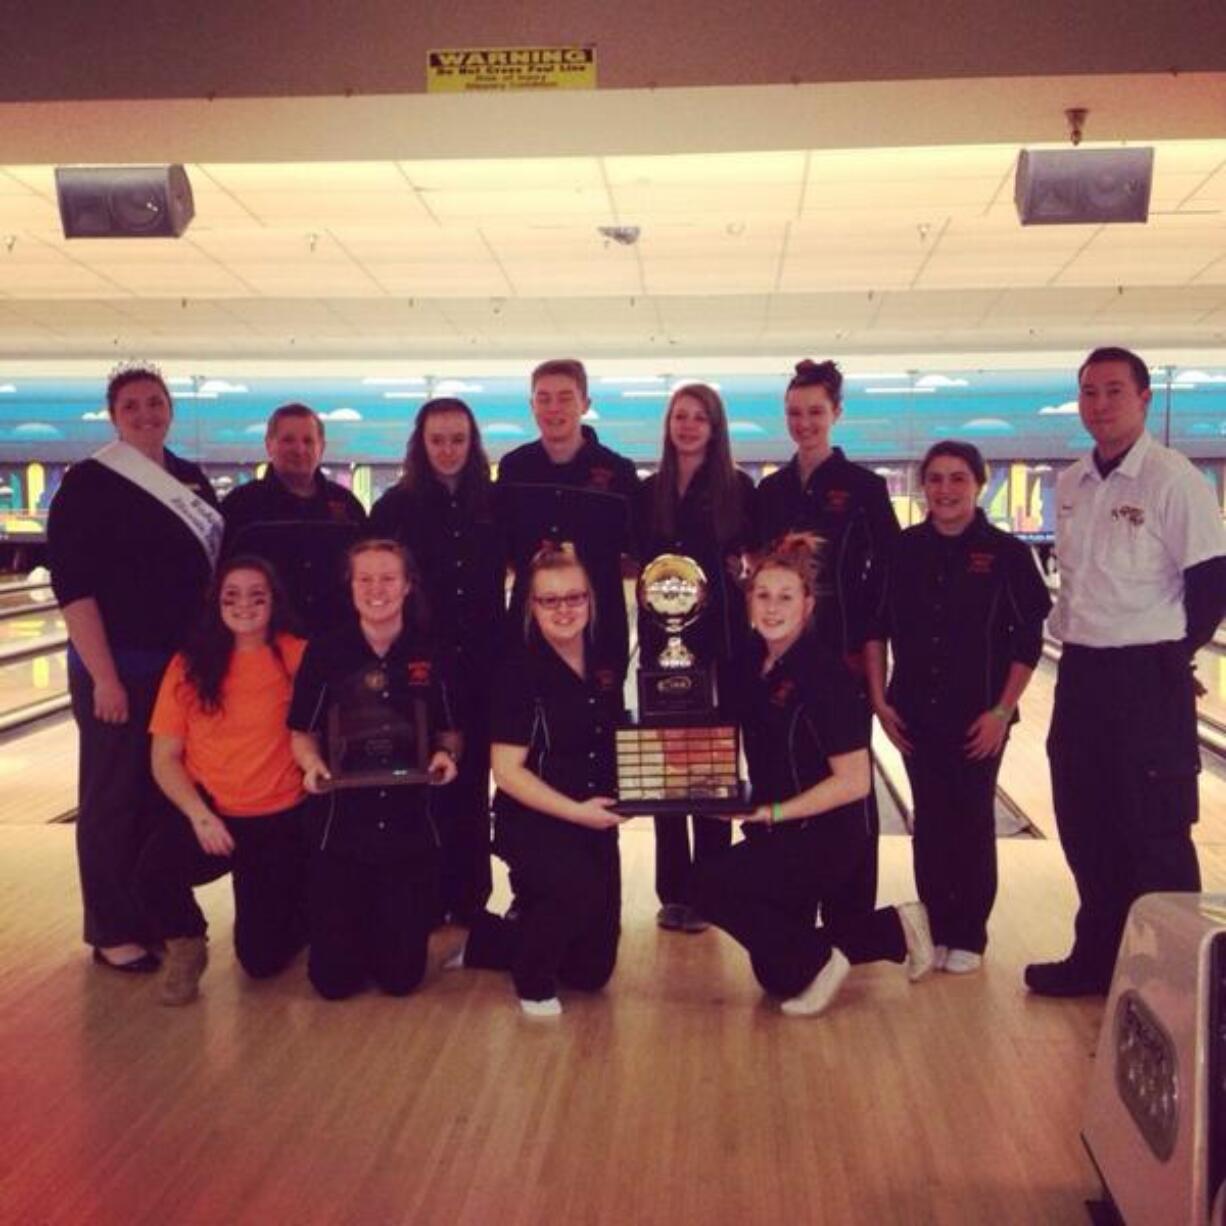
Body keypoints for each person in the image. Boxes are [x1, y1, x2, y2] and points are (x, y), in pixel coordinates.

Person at [1026, 347, 1226, 997]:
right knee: (1086, 823)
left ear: (1143, 398)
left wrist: (1172, 659)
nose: (1100, 404)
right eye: (1088, 392)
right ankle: (1097, 959)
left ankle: (1176, 977)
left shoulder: (1175, 480)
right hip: (1081, 675)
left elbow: (1212, 584)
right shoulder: (1073, 482)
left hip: (1145, 679)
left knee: (1156, 831)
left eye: (1114, 390)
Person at [687, 534, 933, 1017]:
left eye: (785, 597)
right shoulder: (746, 666)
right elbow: (714, 735)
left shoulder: (827, 677)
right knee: (778, 976)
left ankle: (831, 959)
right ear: (748, 601)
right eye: (763, 595)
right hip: (774, 832)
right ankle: (891, 930)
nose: (773, 607)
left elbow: (855, 782)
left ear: (807, 604)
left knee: (705, 885)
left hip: (827, 837)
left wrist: (772, 810)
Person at [47, 362, 222, 973]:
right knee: (112, 798)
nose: (146, 413)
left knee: (161, 794)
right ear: (114, 416)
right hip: (115, 667)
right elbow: (74, 588)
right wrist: (105, 679)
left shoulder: (191, 479)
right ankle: (111, 928)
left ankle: (154, 914)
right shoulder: (88, 484)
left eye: (155, 402)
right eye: (132, 406)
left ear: (170, 407)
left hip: (177, 672)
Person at [864, 441, 1051, 974]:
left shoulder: (1009, 555)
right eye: (937, 479)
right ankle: (937, 927)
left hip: (980, 715)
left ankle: (969, 930)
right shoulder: (902, 550)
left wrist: (1000, 712)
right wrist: (879, 699)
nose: (946, 489)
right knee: (931, 819)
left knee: (969, 818)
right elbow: (874, 629)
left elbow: (1027, 642)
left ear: (978, 484)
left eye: (958, 478)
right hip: (913, 710)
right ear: (924, 486)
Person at [449, 543, 627, 1016]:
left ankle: (490, 943)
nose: (564, 610)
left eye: (575, 597)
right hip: (533, 818)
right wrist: (578, 813)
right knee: (579, 892)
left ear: (591, 599)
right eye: (550, 600)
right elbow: (507, 773)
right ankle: (531, 979)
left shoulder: (606, 661)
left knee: (592, 973)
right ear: (531, 605)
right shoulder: (517, 672)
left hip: (593, 818)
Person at [753, 358, 901, 915]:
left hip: (839, 657)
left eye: (815, 412)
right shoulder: (772, 489)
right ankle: (789, 900)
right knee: (784, 771)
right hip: (780, 654)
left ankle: (851, 914)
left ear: (836, 413)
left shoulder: (863, 488)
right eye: (794, 413)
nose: (804, 422)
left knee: (847, 784)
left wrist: (871, 661)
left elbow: (885, 576)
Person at [288, 539, 460, 1001]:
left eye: (387, 578)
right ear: (351, 586)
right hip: (340, 829)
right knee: (334, 984)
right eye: (365, 578)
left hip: (408, 830)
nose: (376, 588)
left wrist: (447, 757)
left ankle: (418, 938)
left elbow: (449, 731)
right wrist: (312, 766)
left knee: (401, 981)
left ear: (407, 586)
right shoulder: (325, 653)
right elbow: (301, 732)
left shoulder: (431, 651)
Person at [136, 556, 308, 1004]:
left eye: (257, 595)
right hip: (212, 814)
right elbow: (164, 757)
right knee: (152, 871)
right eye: (232, 595)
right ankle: (187, 945)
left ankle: (295, 907)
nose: (244, 605)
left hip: (278, 817)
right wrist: (199, 816)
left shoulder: (298, 655)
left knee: (262, 963)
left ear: (274, 602)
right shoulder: (188, 665)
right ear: (217, 603)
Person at [370, 398, 505, 925]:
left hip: (482, 664)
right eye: (437, 440)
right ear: (420, 445)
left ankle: (470, 899)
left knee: (470, 782)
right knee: (418, 781)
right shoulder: (394, 509)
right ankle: (421, 898)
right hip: (416, 667)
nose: (448, 449)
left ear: (472, 445)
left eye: (458, 439)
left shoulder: (495, 503)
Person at [635, 383, 754, 933]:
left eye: (698, 418)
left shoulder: (738, 489)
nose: (687, 426)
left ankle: (708, 887)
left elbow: (752, 565)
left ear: (714, 427)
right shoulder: (650, 490)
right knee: (668, 767)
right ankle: (673, 891)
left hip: (721, 647)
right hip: (663, 647)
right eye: (679, 416)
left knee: (709, 768)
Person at [498, 359, 639, 672]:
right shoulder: (514, 468)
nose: (553, 408)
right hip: (529, 627)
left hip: (600, 629)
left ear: (585, 404)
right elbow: (502, 549)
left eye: (565, 397)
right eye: (543, 398)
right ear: (531, 405)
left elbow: (635, 552)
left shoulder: (618, 471)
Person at [220, 402, 366, 633]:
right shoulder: (240, 507)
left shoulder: (348, 508)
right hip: (264, 642)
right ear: (269, 445)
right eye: (288, 440)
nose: (299, 449)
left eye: (308, 441)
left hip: (336, 642)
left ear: (322, 447)